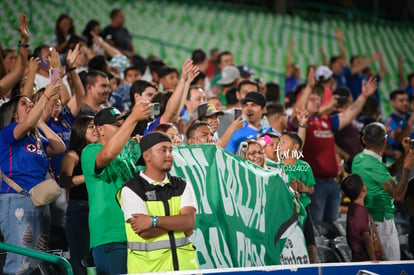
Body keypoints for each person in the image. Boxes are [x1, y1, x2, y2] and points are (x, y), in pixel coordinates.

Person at [290, 69, 378, 223]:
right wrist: (309, 88)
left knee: (332, 229)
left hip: (333, 183)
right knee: (316, 229)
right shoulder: (300, 124)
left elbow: (348, 114)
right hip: (314, 184)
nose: (317, 102)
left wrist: (363, 96)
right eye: (312, 99)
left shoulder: (326, 121)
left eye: (318, 99)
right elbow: (295, 114)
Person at [0, 84, 65, 274]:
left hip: (38, 200)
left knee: (37, 259)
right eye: (24, 104)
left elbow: (59, 147)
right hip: (16, 199)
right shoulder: (7, 133)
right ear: (13, 114)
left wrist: (40, 122)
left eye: (31, 104)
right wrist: (45, 96)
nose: (29, 106)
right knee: (20, 261)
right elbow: (26, 124)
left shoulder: (34, 139)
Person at [81, 103, 151, 275]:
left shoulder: (131, 154)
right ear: (100, 129)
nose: (123, 130)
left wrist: (147, 152)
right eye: (117, 126)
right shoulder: (90, 151)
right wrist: (133, 118)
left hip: (140, 234)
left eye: (123, 125)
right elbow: (108, 154)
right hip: (111, 236)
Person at [117, 132, 198, 273]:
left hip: (186, 269)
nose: (169, 155)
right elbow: (145, 232)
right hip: (149, 270)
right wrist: (178, 225)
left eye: (170, 150)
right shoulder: (131, 189)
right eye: (163, 150)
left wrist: (153, 221)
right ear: (147, 156)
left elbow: (189, 222)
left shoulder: (182, 184)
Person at [352, 122, 414, 260]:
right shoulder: (375, 165)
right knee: (391, 268)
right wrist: (407, 168)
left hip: (371, 220)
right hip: (381, 222)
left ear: (363, 140)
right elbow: (398, 195)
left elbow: (387, 172)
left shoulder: (359, 159)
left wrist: (405, 155)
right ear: (385, 141)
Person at [60, 116, 99, 274]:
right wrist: (88, 176)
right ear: (80, 131)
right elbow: (64, 180)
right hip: (80, 209)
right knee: (81, 257)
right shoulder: (73, 155)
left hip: (99, 208)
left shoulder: (102, 152)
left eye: (96, 126)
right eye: (90, 127)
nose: (95, 129)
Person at [273, 132, 317, 263]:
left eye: (284, 142)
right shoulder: (276, 166)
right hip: (284, 211)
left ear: (295, 147)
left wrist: (304, 188)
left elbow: (311, 189)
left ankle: (314, 267)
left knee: (310, 240)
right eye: (279, 142)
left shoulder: (304, 166)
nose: (280, 145)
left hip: (304, 207)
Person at [340, 174, 386, 262]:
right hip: (364, 259)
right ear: (364, 188)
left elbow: (374, 233)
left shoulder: (361, 209)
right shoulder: (358, 211)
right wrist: (373, 260)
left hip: (372, 257)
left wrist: (383, 256)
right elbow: (366, 237)